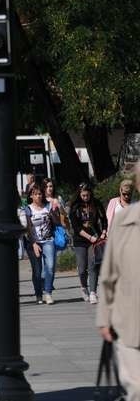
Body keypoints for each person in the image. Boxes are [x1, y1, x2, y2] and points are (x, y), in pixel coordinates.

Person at [96, 162, 140, 400]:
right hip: (129, 322)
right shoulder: (124, 222)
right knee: (137, 389)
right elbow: (109, 272)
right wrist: (104, 316)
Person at [69, 182, 107, 304]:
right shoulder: (75, 207)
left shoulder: (96, 204)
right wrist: (89, 237)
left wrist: (103, 233)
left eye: (87, 195)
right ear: (79, 195)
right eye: (83, 195)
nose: (86, 197)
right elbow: (76, 227)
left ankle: (93, 293)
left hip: (94, 239)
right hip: (80, 240)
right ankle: (84, 287)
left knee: (93, 265)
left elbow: (103, 219)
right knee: (81, 268)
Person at [24, 183, 61, 305]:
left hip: (48, 240)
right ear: (31, 196)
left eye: (40, 194)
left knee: (50, 267)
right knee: (37, 270)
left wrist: (54, 212)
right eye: (35, 194)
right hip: (33, 242)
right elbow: (29, 228)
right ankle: (38, 294)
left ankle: (48, 293)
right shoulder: (28, 209)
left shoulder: (48, 206)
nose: (38, 196)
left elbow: (57, 222)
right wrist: (34, 243)